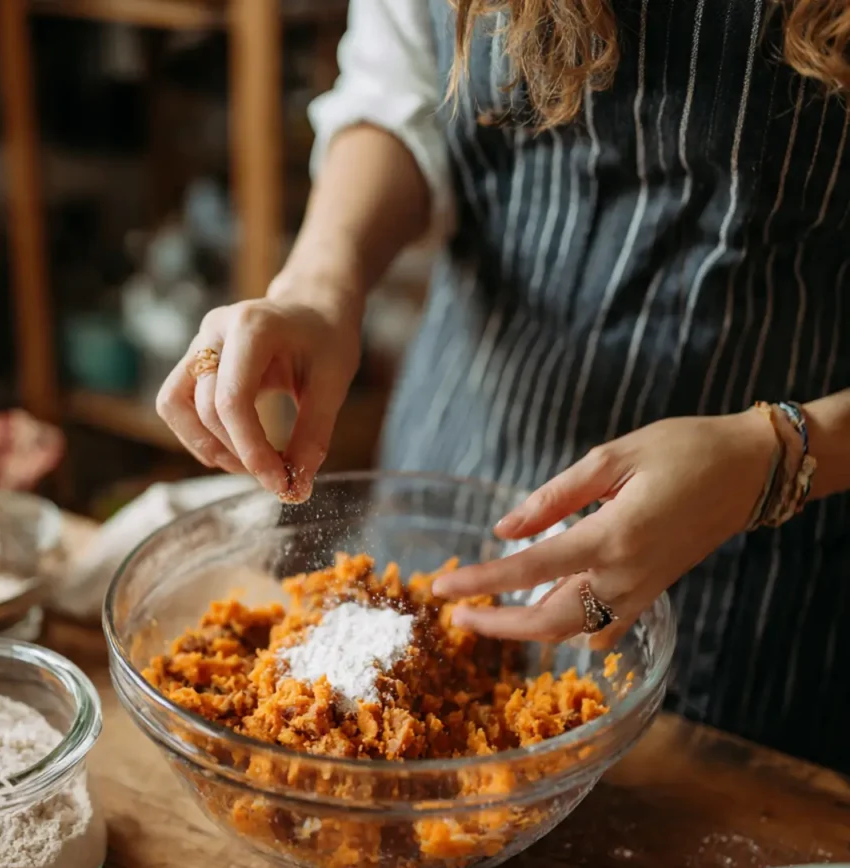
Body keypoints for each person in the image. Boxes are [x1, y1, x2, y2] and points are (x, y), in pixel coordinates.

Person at [157, 0, 850, 772]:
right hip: (456, 473)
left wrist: (774, 453)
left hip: (764, 567)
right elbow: (398, 93)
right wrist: (319, 285)